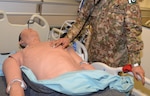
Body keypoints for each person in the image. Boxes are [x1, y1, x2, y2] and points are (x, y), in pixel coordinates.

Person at [49, 0, 145, 84]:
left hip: (115, 60)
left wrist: (135, 63)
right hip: (94, 56)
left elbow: (133, 31)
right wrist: (68, 38)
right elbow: (82, 20)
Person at [2, 28, 133, 96]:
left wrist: (100, 78)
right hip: (55, 86)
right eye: (25, 30)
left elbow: (82, 63)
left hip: (84, 82)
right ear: (21, 42)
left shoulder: (57, 43)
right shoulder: (21, 53)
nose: (30, 29)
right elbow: (11, 69)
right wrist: (15, 87)